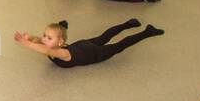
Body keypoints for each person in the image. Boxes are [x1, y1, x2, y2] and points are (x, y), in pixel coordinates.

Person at [13, 19, 164, 68]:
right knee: (105, 35)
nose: (44, 39)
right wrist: (30, 38)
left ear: (60, 42)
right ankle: (128, 24)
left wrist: (25, 43)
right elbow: (38, 41)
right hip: (82, 45)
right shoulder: (50, 44)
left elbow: (45, 50)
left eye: (49, 38)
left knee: (119, 45)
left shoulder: (60, 52)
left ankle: (147, 32)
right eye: (45, 36)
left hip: (94, 54)